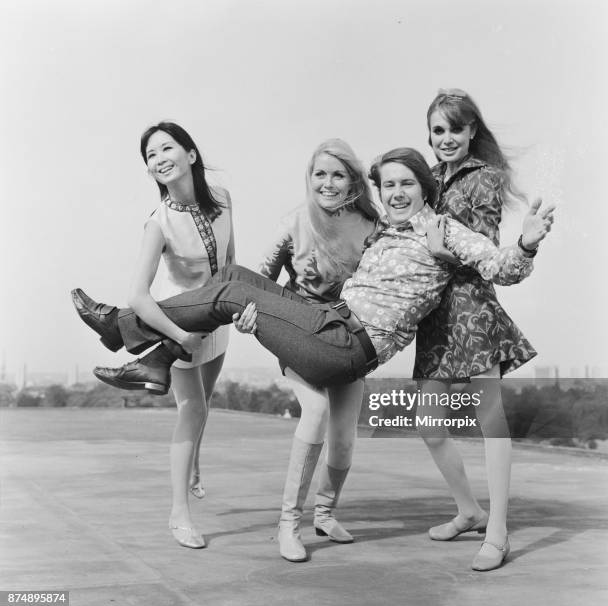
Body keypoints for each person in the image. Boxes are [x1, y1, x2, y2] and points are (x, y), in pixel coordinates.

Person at [72, 148, 553, 546]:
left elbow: (500, 265)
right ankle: (156, 356)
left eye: (408, 184)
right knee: (235, 279)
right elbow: (316, 232)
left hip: (349, 346)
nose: (398, 193)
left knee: (232, 293)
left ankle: (121, 326)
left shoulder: (442, 231)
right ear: (379, 192)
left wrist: (526, 244)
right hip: (326, 323)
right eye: (389, 185)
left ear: (425, 188)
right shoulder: (381, 226)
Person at [72, 122, 235, 549]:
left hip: (216, 324)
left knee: (207, 401)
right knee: (194, 410)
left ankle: (194, 466)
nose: (160, 158)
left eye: (167, 148)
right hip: (175, 330)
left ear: (191, 155)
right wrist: (182, 335)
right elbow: (140, 296)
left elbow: (230, 260)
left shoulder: (222, 201)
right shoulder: (158, 223)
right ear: (149, 170)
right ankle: (179, 514)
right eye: (151, 155)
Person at [414, 89, 552, 571]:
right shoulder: (425, 179)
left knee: (490, 420)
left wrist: (440, 252)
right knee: (429, 424)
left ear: (473, 130)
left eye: (455, 128)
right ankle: (469, 511)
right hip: (433, 315)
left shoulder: (487, 179)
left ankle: (498, 530)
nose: (446, 138)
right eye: (437, 130)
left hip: (473, 310)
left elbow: (486, 255)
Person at [233, 139, 379, 561]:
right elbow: (260, 279)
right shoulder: (295, 222)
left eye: (338, 174)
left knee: (345, 439)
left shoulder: (371, 227)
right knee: (314, 412)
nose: (328, 183)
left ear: (352, 180)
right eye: (320, 174)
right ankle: (288, 525)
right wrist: (252, 318)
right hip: (298, 330)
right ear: (309, 178)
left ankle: (326, 512)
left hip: (346, 335)